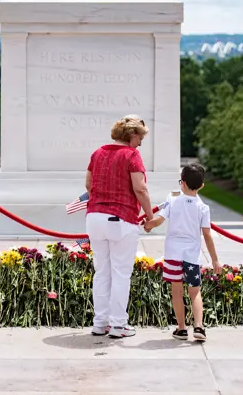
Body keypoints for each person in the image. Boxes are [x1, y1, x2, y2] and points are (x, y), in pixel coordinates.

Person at [85, 114, 153, 339]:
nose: (141, 142)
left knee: (101, 272)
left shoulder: (97, 153)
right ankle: (117, 325)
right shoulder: (132, 155)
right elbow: (140, 189)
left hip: (94, 217)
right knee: (121, 274)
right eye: (140, 137)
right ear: (132, 135)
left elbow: (88, 184)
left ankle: (99, 323)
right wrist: (150, 215)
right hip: (120, 218)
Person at [143, 163, 222, 342]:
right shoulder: (203, 208)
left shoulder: (172, 198)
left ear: (182, 182)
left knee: (176, 291)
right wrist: (215, 260)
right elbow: (207, 236)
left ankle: (181, 328)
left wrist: (148, 225)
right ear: (201, 186)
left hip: (173, 255)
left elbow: (158, 221)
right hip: (192, 256)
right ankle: (199, 326)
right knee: (195, 292)